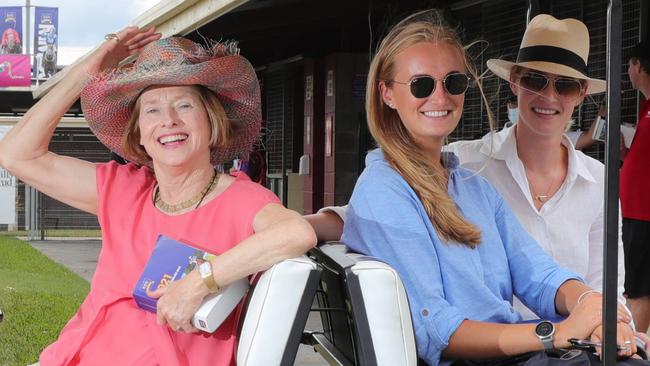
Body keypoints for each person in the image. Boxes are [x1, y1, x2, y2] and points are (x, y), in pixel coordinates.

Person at [315, 11, 636, 365]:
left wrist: (592, 306)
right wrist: (553, 333)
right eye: (422, 84)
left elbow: (537, 272)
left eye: (453, 83)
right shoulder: (385, 190)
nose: (440, 97)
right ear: (388, 93)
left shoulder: (471, 184)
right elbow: (438, 329)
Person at [0, 27, 316, 365]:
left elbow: (297, 232)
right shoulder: (123, 189)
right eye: (151, 110)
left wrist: (200, 281)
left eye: (184, 105)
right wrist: (87, 72)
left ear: (212, 121)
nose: (168, 121)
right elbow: (17, 155)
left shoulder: (241, 200)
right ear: (139, 132)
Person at [621, 38, 650, 333]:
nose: (628, 71)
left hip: (644, 215)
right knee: (635, 287)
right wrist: (624, 156)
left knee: (639, 290)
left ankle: (635, 350)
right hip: (635, 214)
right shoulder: (646, 108)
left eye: (629, 65)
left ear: (639, 65)